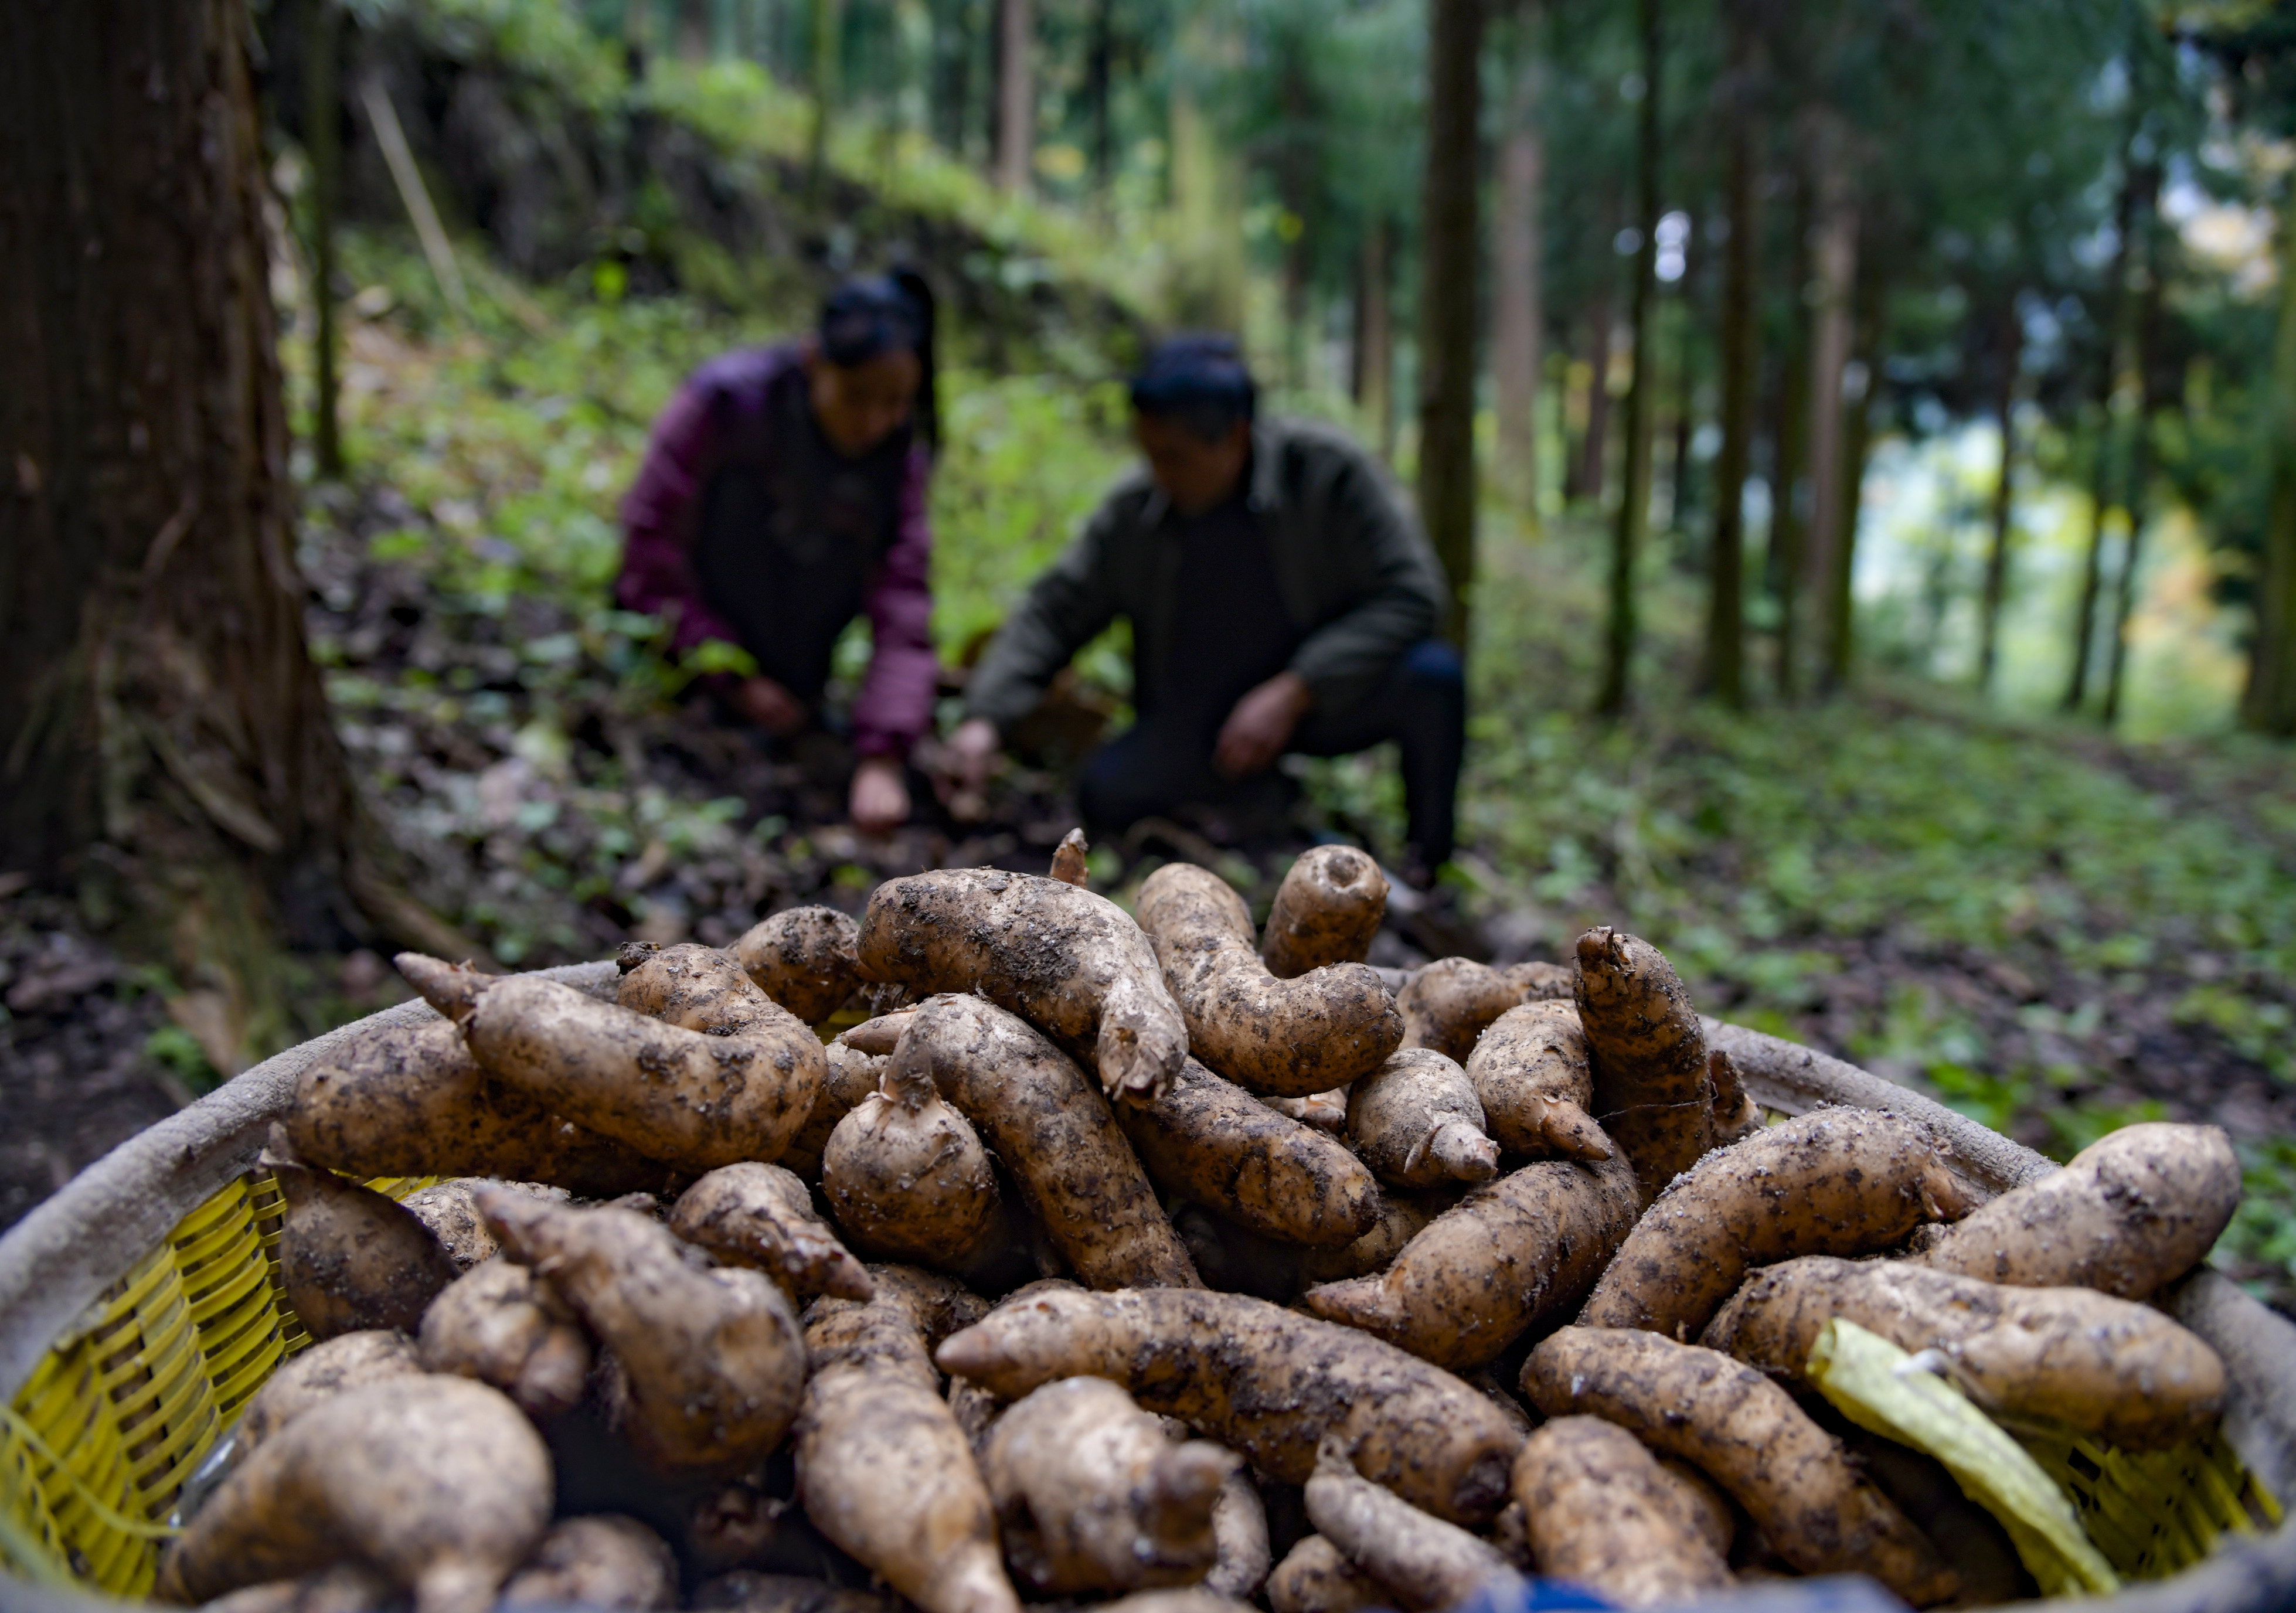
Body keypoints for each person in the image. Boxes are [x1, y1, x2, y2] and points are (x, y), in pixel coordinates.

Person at [948, 335, 1465, 880]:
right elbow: (1056, 609)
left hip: (1321, 703)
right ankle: (1262, 803)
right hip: (1200, 723)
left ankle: (1427, 870)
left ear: (1236, 438)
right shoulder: (1139, 509)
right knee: (1107, 792)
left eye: (1175, 457)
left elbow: (1413, 595)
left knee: (1433, 680)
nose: (1160, 475)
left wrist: (1298, 688)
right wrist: (985, 718)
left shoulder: (1327, 476)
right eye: (1149, 454)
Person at [616, 271, 940, 833]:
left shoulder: (895, 457)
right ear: (815, 360)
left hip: (797, 676)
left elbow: (903, 603)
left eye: (894, 403)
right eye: (857, 397)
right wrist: (732, 675)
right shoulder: (725, 404)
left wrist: (882, 754)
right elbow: (649, 553)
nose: (873, 423)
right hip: (690, 647)